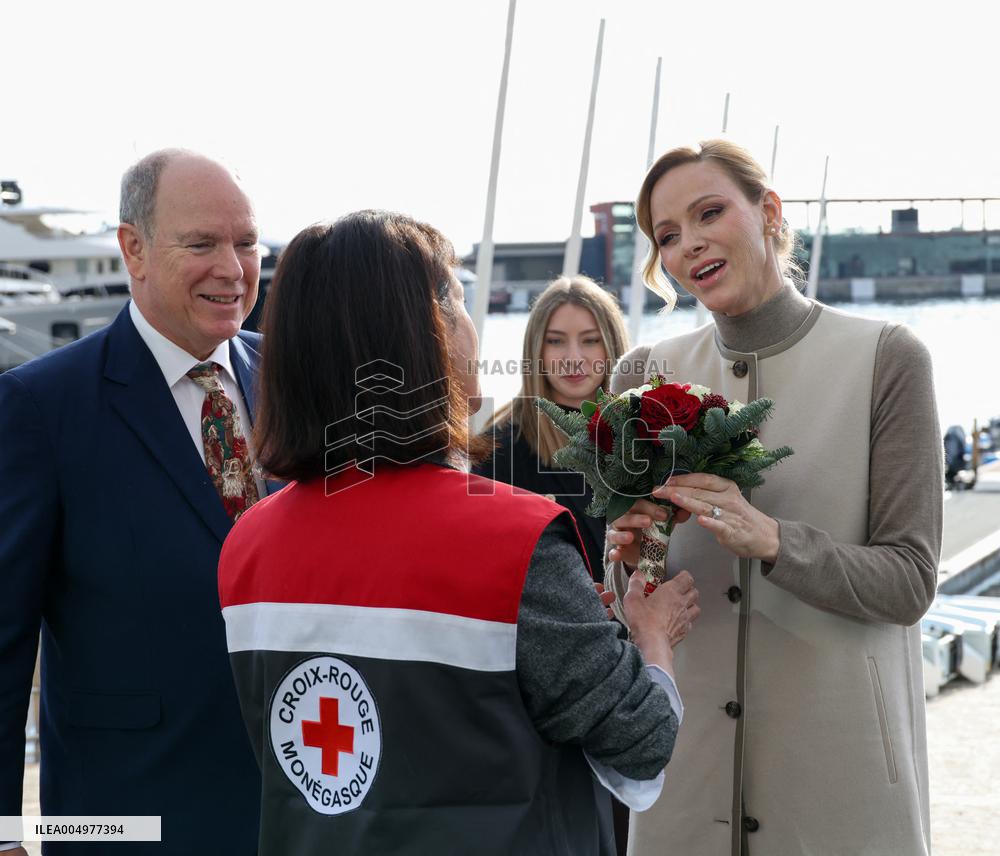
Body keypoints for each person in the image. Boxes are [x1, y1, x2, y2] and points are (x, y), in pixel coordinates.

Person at [217, 211, 701, 856]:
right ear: (433, 335)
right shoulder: (514, 541)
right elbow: (640, 743)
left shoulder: (245, 544)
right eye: (459, 300)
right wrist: (650, 635)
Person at [605, 140, 942, 856]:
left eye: (708, 212)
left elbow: (911, 580)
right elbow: (632, 596)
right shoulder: (641, 374)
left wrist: (777, 542)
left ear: (769, 212)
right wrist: (626, 561)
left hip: (838, 780)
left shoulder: (887, 359)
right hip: (683, 779)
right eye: (667, 235)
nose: (689, 243)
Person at [0, 149, 272, 855]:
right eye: (202, 243)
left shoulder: (293, 380)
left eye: (246, 243)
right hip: (122, 821)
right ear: (134, 249)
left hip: (291, 813)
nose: (234, 268)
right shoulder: (42, 407)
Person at [473, 275, 629, 577]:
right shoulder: (498, 451)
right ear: (536, 351)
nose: (573, 358)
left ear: (612, 345)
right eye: (555, 341)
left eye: (590, 340)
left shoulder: (644, 434)